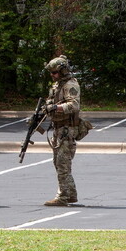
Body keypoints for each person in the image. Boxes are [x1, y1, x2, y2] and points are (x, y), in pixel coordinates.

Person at [40, 55, 81, 206]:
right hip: (58, 128)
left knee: (62, 163)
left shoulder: (70, 85)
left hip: (67, 129)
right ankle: (71, 194)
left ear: (63, 71)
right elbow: (50, 102)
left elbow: (74, 105)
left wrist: (56, 107)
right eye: (51, 73)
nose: (52, 75)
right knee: (59, 163)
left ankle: (63, 197)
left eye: (55, 72)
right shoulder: (58, 85)